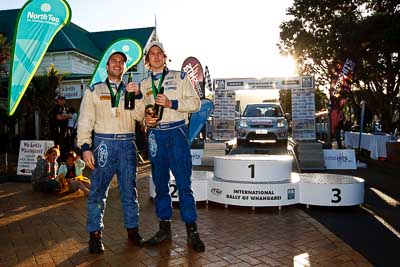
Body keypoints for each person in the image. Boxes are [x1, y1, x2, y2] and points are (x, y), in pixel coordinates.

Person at [137, 40, 205, 252]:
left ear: (165, 57)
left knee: (184, 183)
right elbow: (139, 112)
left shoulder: (179, 77)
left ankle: (192, 231)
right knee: (160, 183)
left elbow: (196, 103)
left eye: (160, 53)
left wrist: (171, 103)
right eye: (152, 54)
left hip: (176, 132)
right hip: (156, 135)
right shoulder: (143, 84)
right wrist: (144, 121)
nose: (156, 56)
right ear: (147, 60)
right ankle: (164, 229)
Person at [77, 51, 144, 254]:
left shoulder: (131, 90)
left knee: (129, 192)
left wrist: (139, 96)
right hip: (103, 144)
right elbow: (85, 120)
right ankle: (95, 235)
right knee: (97, 192)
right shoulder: (94, 91)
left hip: (127, 144)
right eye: (114, 61)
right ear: (106, 66)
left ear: (124, 67)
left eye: (121, 62)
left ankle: (132, 230)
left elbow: (141, 116)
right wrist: (85, 147)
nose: (118, 64)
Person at [48, 95, 72, 160]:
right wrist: (65, 116)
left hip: (65, 129)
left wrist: (64, 116)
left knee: (67, 144)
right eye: (61, 99)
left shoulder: (65, 107)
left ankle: (65, 158)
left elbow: (70, 115)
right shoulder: (55, 108)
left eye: (63, 99)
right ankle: (59, 159)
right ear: (58, 100)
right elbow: (59, 117)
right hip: (57, 130)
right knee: (58, 144)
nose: (62, 101)